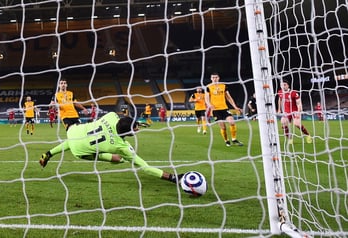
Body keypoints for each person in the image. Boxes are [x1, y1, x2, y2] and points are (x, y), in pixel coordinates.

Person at [39, 112, 184, 184]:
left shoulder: (110, 116)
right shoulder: (121, 146)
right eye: (134, 130)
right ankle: (173, 178)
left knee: (76, 141)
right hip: (81, 152)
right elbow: (145, 167)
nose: (137, 131)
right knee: (118, 159)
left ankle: (48, 154)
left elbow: (121, 118)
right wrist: (172, 177)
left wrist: (133, 123)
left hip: (74, 131)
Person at [205, 72, 243, 147]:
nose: (214, 79)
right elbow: (206, 98)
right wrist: (209, 105)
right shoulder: (208, 87)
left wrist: (235, 107)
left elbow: (228, 97)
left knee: (232, 122)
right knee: (223, 127)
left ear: (218, 78)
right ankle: (226, 141)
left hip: (224, 108)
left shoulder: (223, 86)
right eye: (213, 77)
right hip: (215, 110)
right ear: (211, 78)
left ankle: (234, 139)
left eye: (216, 77)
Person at [277, 80, 312, 144]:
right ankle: (290, 139)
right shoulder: (280, 92)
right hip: (286, 112)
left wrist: (298, 112)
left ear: (288, 85)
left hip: (295, 111)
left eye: (284, 85)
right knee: (283, 123)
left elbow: (299, 104)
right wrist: (279, 109)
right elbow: (280, 99)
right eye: (282, 85)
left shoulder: (294, 93)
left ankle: (308, 135)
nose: (283, 86)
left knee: (297, 124)